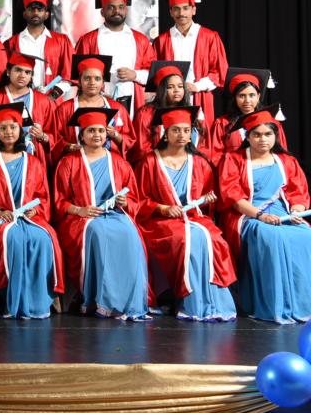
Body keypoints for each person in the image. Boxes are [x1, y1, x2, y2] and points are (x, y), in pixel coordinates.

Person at [136, 106, 235, 321]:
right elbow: (140, 199)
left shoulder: (200, 162)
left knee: (213, 239)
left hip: (194, 218)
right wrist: (163, 208)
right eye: (176, 130)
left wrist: (208, 200)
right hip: (160, 220)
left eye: (186, 130)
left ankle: (213, 303)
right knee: (183, 238)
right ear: (165, 133)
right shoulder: (149, 162)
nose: (181, 135)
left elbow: (208, 200)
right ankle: (185, 298)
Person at [54, 107, 150, 321]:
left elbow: (134, 198)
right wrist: (80, 210)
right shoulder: (68, 162)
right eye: (91, 131)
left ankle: (129, 301)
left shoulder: (118, 161)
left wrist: (126, 201)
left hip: (115, 214)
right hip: (82, 217)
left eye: (101, 130)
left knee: (131, 234)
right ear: (82, 135)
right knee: (99, 233)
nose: (96, 135)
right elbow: (60, 201)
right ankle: (102, 300)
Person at [0, 103, 62, 319]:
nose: (8, 132)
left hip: (28, 218)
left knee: (43, 238)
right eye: (3, 128)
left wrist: (35, 211)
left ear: (21, 130)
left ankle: (37, 301)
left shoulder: (33, 162)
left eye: (13, 127)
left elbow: (42, 196)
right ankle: (13, 299)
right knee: (14, 238)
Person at [218, 105, 310, 324]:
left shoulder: (286, 161)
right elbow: (233, 197)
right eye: (257, 135)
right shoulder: (233, 160)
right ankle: (273, 305)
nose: (263, 139)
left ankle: (303, 304)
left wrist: (296, 211)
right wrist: (260, 216)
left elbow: (298, 192)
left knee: (305, 234)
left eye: (268, 134)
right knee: (272, 237)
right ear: (247, 136)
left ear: (275, 136)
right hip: (249, 215)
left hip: (283, 213)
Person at [73, 0, 155, 114]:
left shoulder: (140, 40)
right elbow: (77, 73)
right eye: (111, 7)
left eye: (121, 7)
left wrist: (135, 75)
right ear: (102, 12)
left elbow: (153, 73)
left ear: (126, 10)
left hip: (133, 100)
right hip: (99, 99)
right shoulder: (88, 40)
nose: (117, 11)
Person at [153, 0, 227, 126]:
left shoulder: (210, 37)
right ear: (171, 12)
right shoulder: (161, 41)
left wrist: (197, 86)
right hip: (170, 99)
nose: (181, 13)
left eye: (186, 8)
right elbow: (156, 74)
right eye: (176, 9)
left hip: (199, 95)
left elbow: (219, 71)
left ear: (194, 10)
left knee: (201, 135)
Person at [49, 55, 133, 166]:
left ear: (103, 83)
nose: (92, 82)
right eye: (87, 78)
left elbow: (130, 140)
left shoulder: (117, 108)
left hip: (109, 165)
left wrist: (115, 135)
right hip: (76, 164)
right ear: (79, 82)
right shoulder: (65, 109)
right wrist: (70, 147)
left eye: (97, 79)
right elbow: (54, 139)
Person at [0, 52, 55, 168]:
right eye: (18, 70)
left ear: (31, 76)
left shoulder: (43, 101)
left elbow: (52, 134)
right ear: (8, 71)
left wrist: (42, 136)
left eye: (27, 72)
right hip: (3, 157)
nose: (22, 75)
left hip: (34, 157)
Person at [129, 61, 200, 166]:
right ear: (161, 90)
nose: (176, 90)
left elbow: (202, 144)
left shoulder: (191, 112)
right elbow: (142, 148)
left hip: (189, 164)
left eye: (180, 86)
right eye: (170, 87)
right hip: (156, 166)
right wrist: (165, 164)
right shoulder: (146, 113)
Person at [4, 0, 72, 95]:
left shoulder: (62, 41)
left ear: (46, 15)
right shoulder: (11, 43)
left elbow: (68, 75)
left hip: (53, 99)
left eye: (40, 10)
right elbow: (7, 75)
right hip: (22, 98)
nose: (35, 13)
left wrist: (52, 97)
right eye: (31, 9)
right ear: (24, 14)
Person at [209, 68, 288, 156]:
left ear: (258, 96)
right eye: (242, 96)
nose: (247, 101)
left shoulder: (271, 122)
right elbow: (216, 156)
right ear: (235, 98)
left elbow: (281, 154)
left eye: (252, 95)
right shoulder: (222, 124)